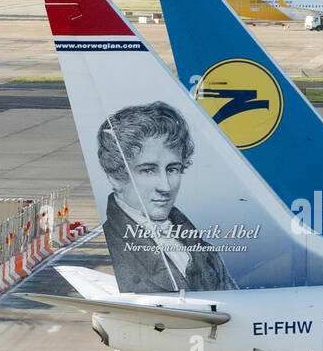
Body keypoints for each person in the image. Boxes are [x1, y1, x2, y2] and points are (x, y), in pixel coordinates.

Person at [96, 101, 236, 294]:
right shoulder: (115, 247)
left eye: (173, 169)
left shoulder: (201, 248)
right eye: (148, 170)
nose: (166, 186)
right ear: (115, 177)